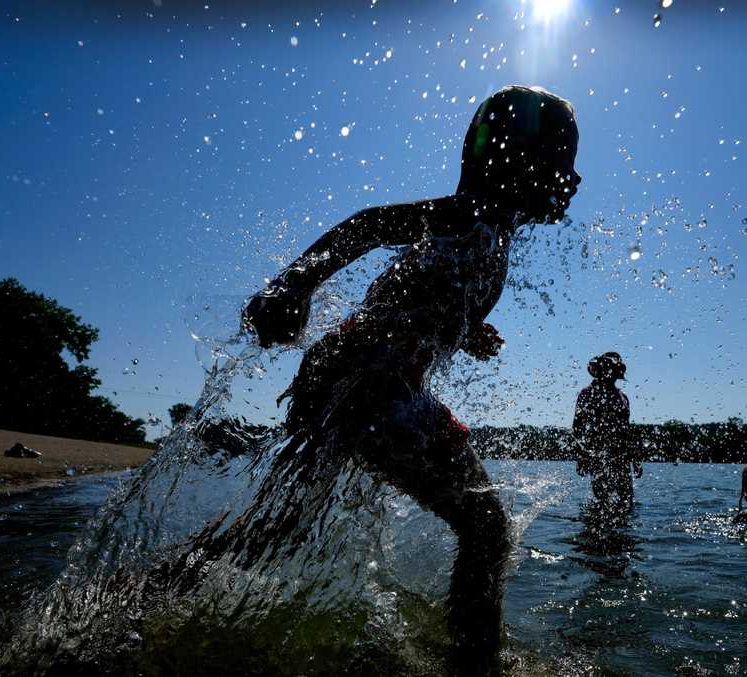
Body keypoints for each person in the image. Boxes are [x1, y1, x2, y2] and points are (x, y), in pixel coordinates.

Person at [241, 85, 581, 672]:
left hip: (371, 383)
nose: (567, 179)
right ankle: (475, 661)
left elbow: (420, 297)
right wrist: (293, 285)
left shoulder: (493, 231)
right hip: (364, 382)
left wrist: (468, 330)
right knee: (486, 528)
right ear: (517, 159)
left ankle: (141, 593)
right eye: (559, 161)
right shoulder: (468, 212)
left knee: (277, 531)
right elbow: (368, 225)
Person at [572, 352, 642, 511]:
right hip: (597, 452)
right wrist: (581, 456)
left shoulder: (623, 397)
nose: (612, 375)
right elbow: (578, 427)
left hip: (622, 454)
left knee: (626, 501)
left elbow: (627, 430)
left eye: (615, 371)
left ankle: (621, 532)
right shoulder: (587, 393)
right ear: (599, 370)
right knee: (601, 501)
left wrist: (635, 460)